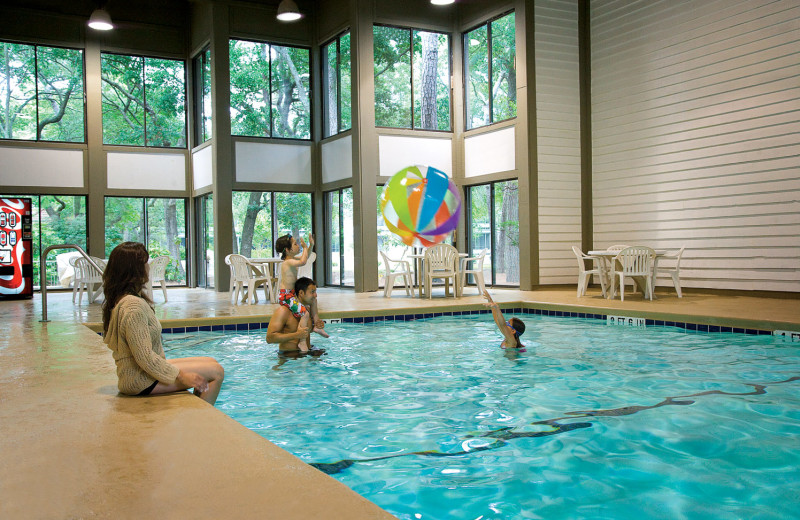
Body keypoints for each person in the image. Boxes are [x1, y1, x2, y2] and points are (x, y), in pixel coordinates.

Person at [102, 242, 224, 404]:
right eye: (145, 263)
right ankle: (201, 423)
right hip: (139, 380)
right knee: (216, 372)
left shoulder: (125, 299)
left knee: (211, 362)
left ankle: (197, 413)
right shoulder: (133, 306)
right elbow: (145, 357)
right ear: (136, 270)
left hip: (136, 372)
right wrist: (181, 376)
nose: (148, 267)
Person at [274, 233, 328, 337]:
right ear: (287, 250)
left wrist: (311, 245)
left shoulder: (292, 260)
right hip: (286, 297)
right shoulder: (288, 262)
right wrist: (304, 247)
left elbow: (306, 256)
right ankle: (302, 339)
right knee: (305, 313)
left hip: (293, 294)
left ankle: (316, 324)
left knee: (313, 300)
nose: (298, 245)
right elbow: (303, 261)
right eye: (295, 244)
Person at [266, 276, 322, 354]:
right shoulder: (283, 311)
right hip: (289, 356)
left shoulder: (307, 310)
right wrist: (296, 335)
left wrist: (316, 325)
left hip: (307, 351)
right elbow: (270, 338)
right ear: (301, 293)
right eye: (312, 292)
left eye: (315, 292)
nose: (315, 295)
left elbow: (307, 331)